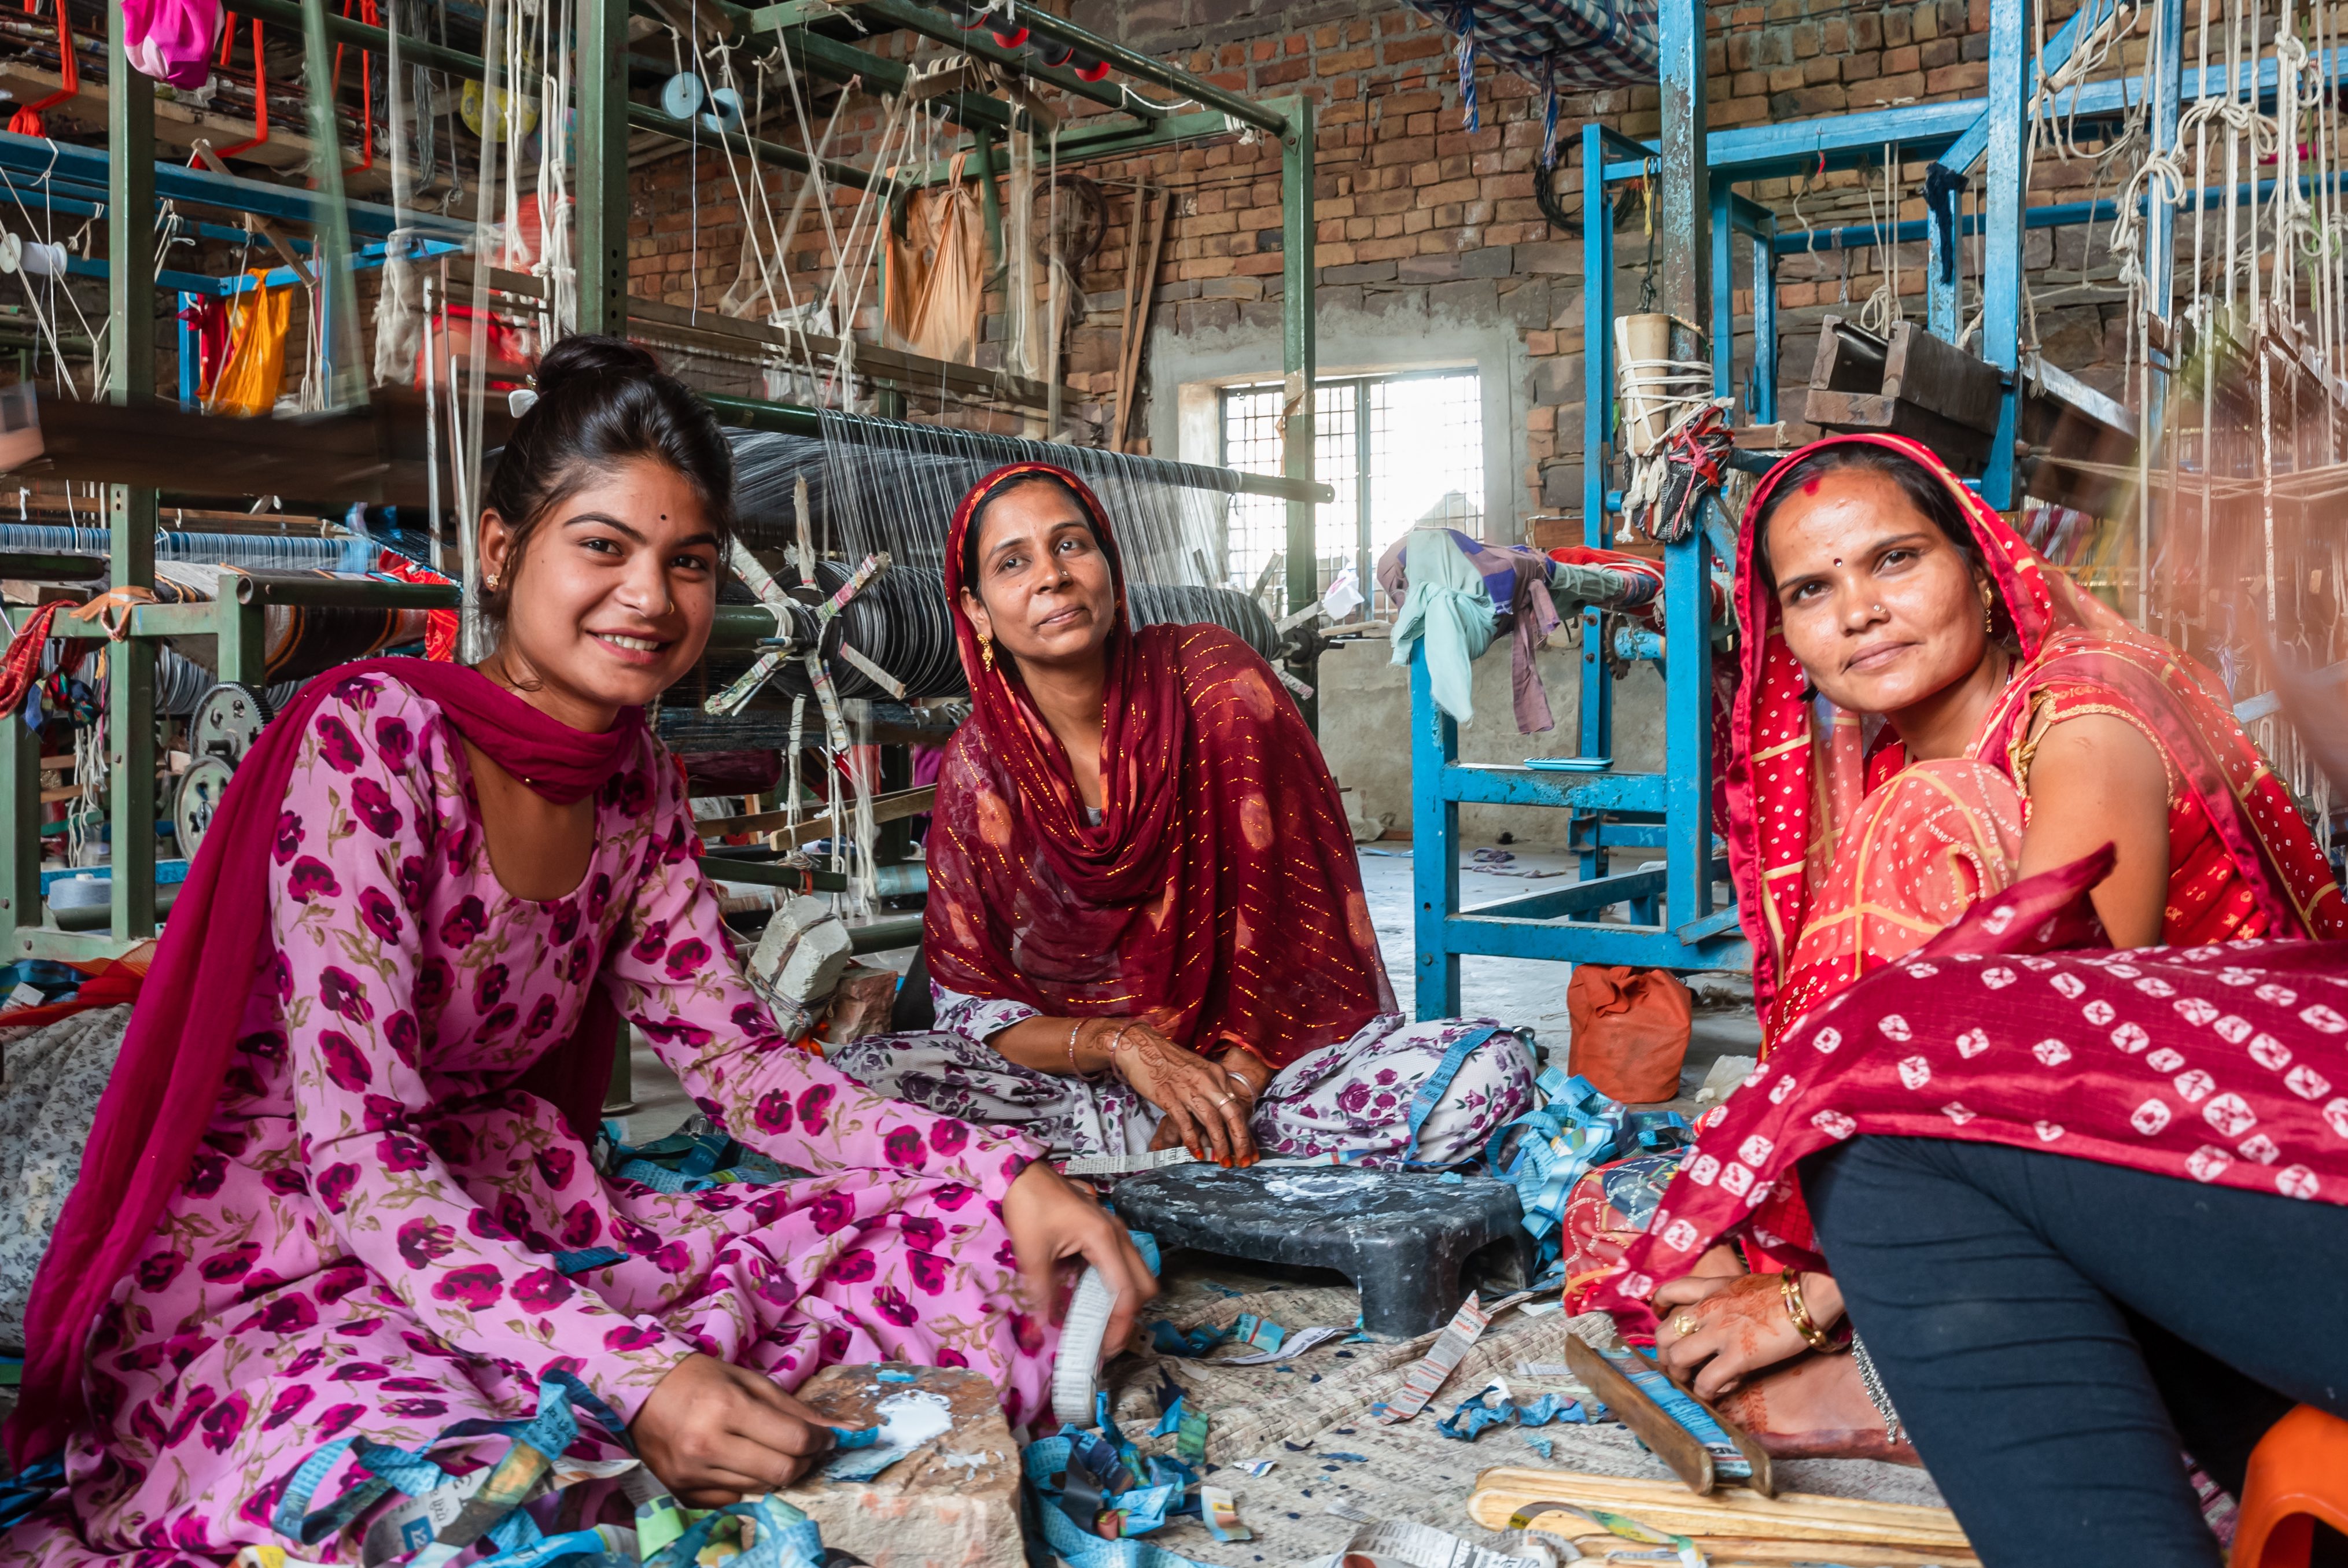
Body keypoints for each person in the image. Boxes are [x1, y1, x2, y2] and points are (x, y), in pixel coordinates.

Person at [0, 338, 1152, 1566]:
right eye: (603, 546)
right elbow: (360, 1152)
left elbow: (744, 1070)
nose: (649, 597)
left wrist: (1001, 1169)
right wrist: (634, 1369)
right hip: (293, 1244)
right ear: (502, 551)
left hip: (506, 1207)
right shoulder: (373, 742)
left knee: (983, 1250)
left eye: (688, 561)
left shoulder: (637, 785)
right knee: (455, 1499)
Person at [1590, 433, 2348, 1566]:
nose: (1858, 610)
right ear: (1783, 636)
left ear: (1982, 572)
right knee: (1637, 1217)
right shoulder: (1888, 769)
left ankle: (1886, 1355)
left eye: (1893, 559)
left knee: (1810, 1138)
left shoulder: (2084, 712)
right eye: (1810, 589)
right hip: (2057, 1171)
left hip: (2195, 1176)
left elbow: (2052, 1048)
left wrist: (1809, 1298)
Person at [828, 463, 1534, 1169]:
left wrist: (1230, 1087)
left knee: (1490, 1072)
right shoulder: (980, 766)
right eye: (1013, 563)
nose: (1052, 576)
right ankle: (1189, 1168)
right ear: (977, 610)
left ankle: (1116, 1168)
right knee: (860, 1083)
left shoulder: (1215, 682)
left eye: (1071, 545)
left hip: (1266, 1077)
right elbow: (973, 1008)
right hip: (1081, 1086)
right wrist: (1123, 1044)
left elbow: (1307, 945)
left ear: (1110, 568)